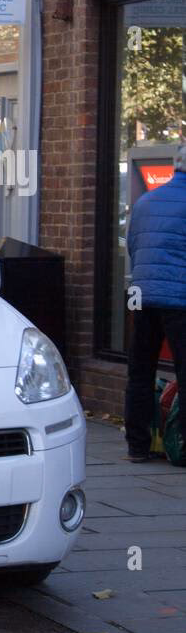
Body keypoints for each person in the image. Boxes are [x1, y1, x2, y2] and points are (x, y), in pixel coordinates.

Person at [124, 143, 186, 462]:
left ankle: (137, 445)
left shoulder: (147, 201)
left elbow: (133, 246)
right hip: (179, 299)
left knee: (140, 372)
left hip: (143, 296)